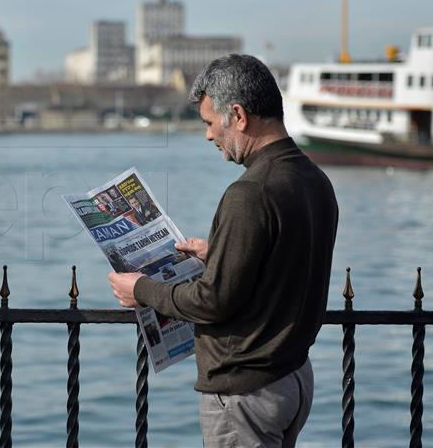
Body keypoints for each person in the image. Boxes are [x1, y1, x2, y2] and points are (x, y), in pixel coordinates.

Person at [108, 55, 338, 447]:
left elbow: (214, 302)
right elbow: (287, 261)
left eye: (210, 123)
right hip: (293, 376)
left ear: (238, 115)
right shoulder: (313, 179)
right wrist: (221, 253)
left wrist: (142, 290)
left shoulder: (249, 193)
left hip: (246, 393)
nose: (208, 136)